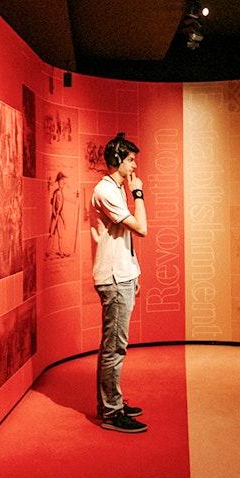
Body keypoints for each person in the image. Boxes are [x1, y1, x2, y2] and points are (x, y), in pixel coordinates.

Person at [90, 133, 148, 433]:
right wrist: (138, 194)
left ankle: (110, 403)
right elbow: (141, 229)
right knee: (115, 347)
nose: (135, 165)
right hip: (113, 278)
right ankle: (112, 413)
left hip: (121, 274)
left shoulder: (115, 188)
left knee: (113, 345)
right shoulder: (107, 191)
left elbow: (125, 239)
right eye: (131, 159)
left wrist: (134, 271)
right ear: (118, 161)